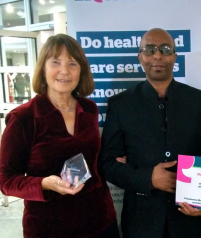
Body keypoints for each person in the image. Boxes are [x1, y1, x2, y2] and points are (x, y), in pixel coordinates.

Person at [98, 28, 201, 238]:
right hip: (141, 222)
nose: (157, 55)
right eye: (150, 49)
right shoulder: (121, 104)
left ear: (175, 56)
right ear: (140, 57)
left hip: (189, 220)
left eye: (165, 49)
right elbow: (107, 163)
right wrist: (148, 178)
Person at [0, 34, 119, 238]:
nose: (64, 71)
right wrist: (44, 184)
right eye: (56, 62)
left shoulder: (89, 108)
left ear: (81, 71)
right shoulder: (24, 118)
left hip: (100, 221)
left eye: (72, 63)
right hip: (49, 227)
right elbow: (6, 180)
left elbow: (92, 160)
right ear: (43, 68)